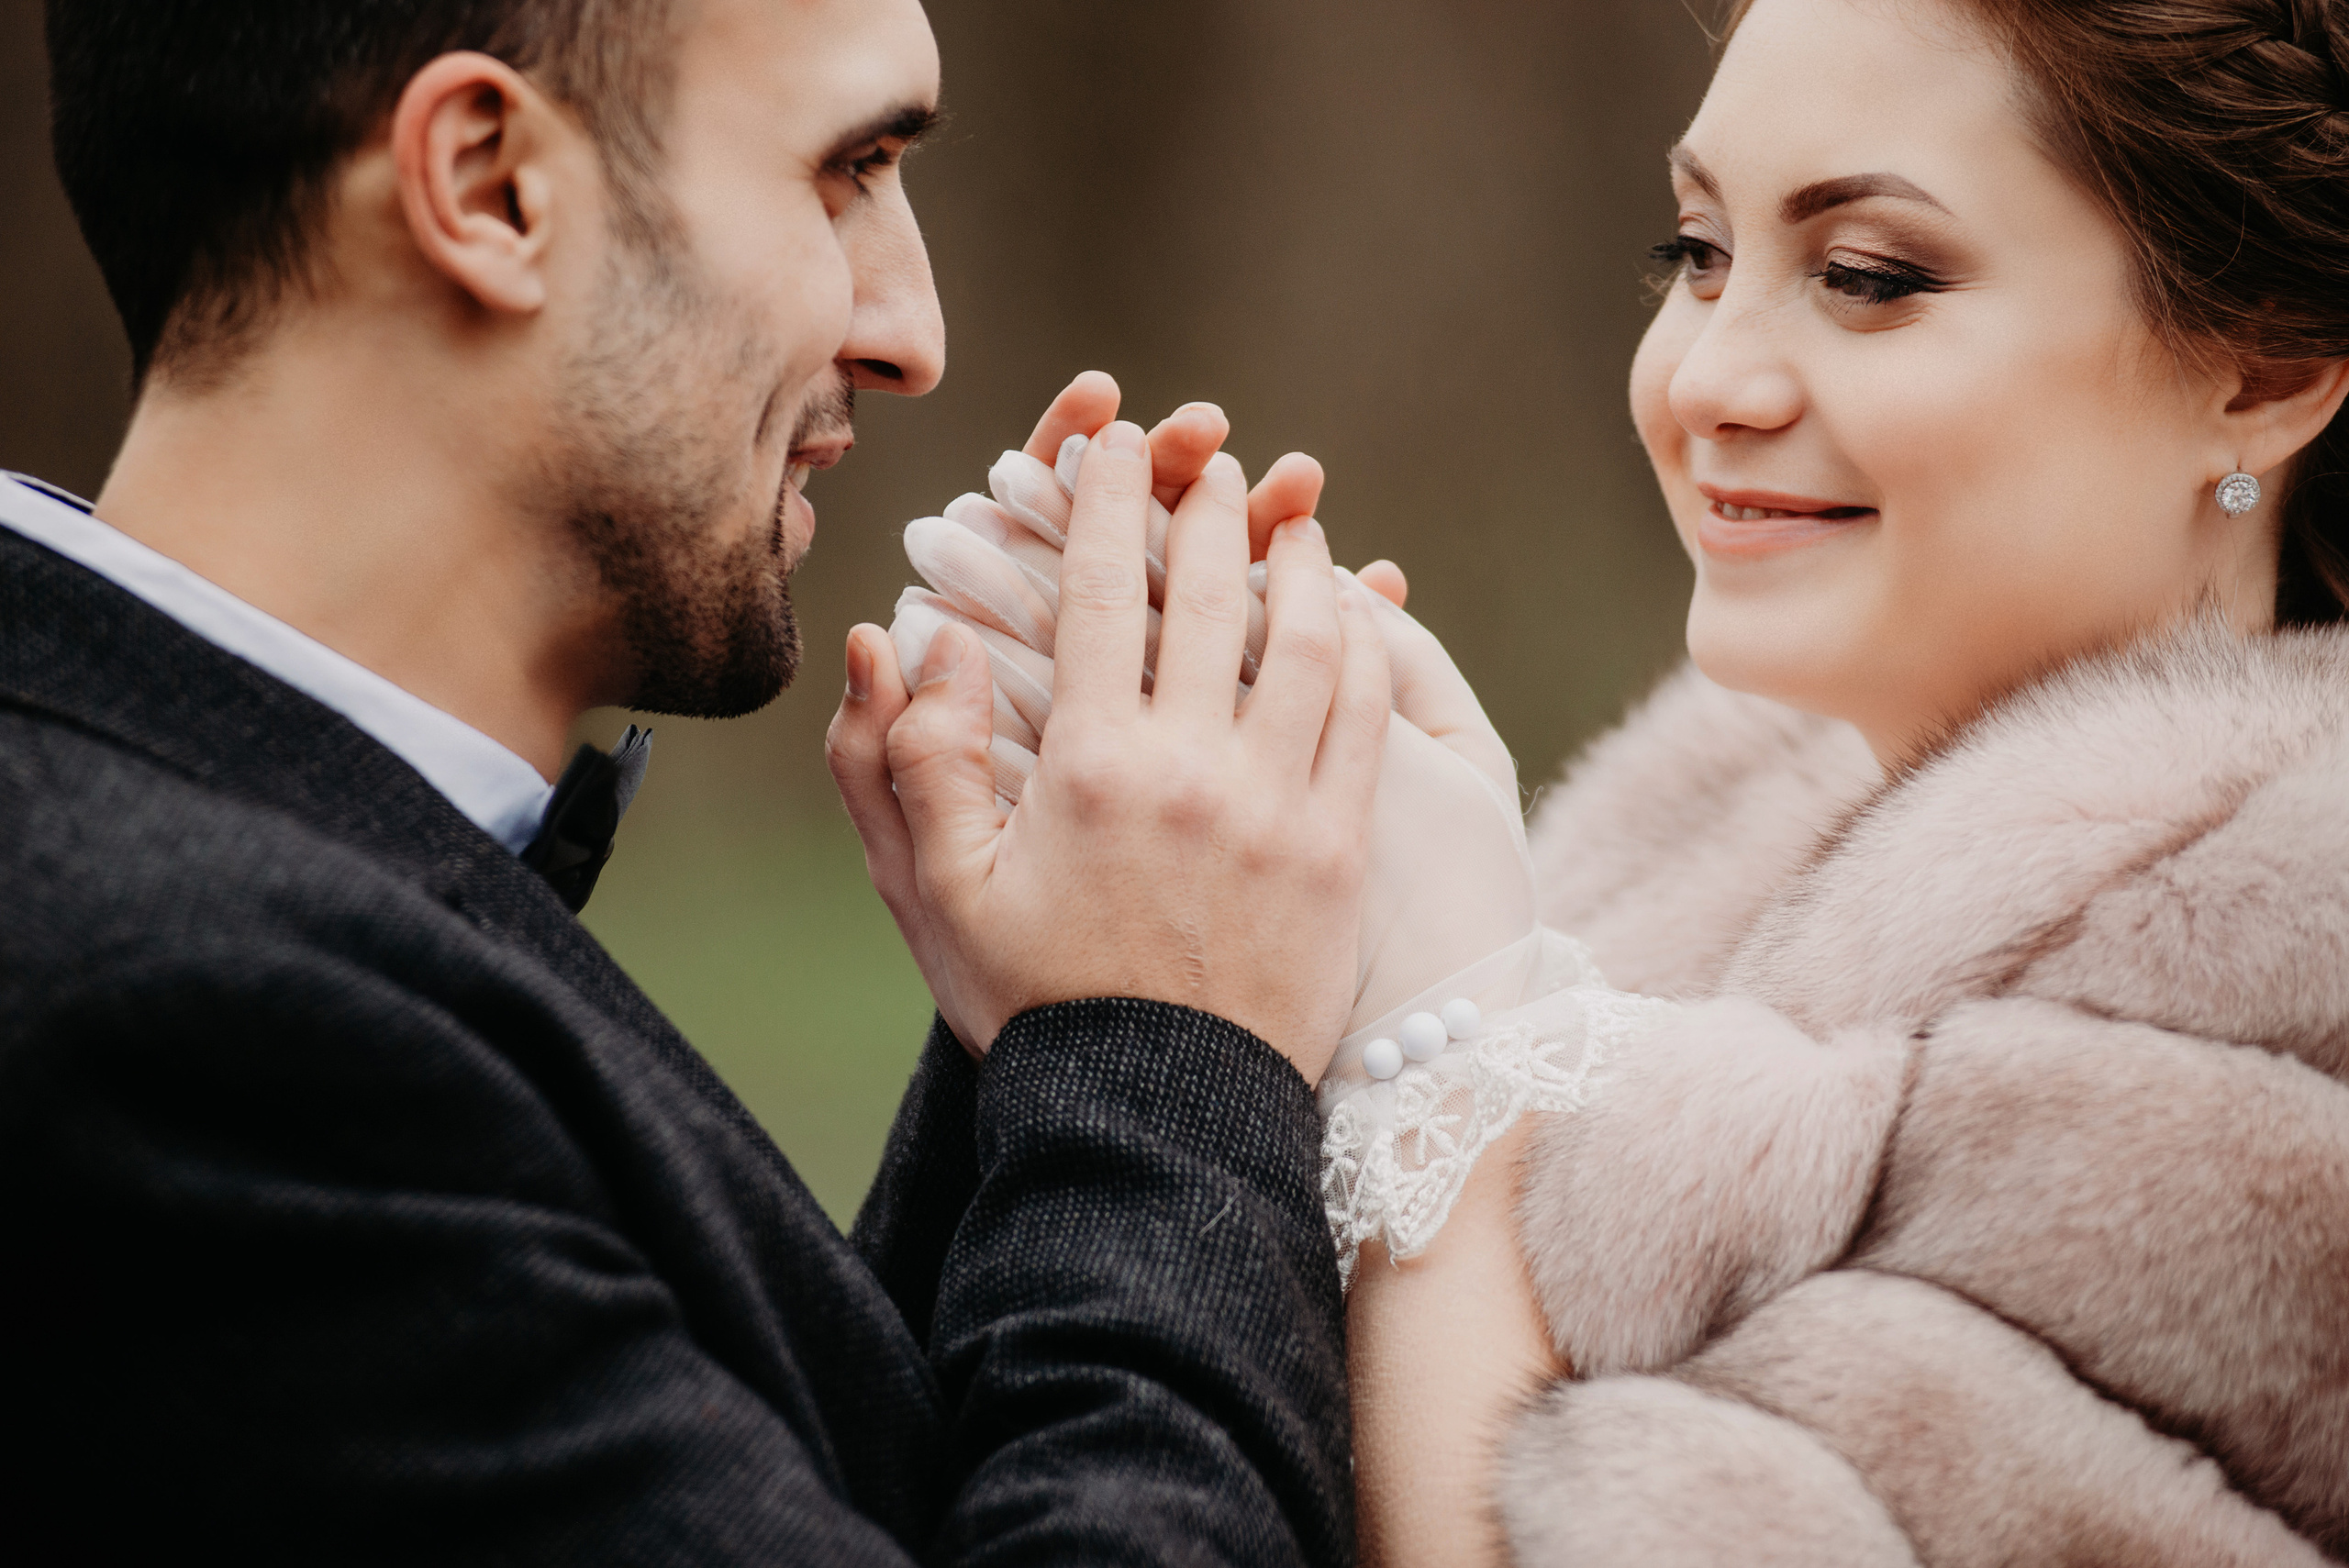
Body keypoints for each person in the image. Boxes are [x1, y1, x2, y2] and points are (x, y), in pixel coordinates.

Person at [876, 0, 2349, 1560]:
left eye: (1866, 277)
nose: (1708, 375)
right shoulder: (1697, 831)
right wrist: (1168, 933)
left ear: (2261, 371)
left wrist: (1434, 1039)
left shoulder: (2285, 949)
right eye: (1697, 254)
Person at [0, 1, 1401, 1561]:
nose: (912, 332)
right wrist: (1164, 1041)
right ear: (487, 185)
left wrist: (1066, 989)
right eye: (846, 167)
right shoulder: (187, 1027)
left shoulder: (193, 860)